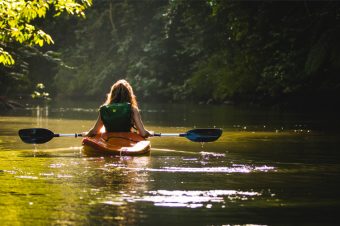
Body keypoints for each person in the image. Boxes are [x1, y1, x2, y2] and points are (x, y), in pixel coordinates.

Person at [84, 79, 152, 138]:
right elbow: (143, 133)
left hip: (108, 140)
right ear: (129, 94)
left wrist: (87, 134)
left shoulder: (105, 109)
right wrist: (149, 133)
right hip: (127, 140)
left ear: (112, 94)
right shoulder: (132, 109)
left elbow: (95, 131)